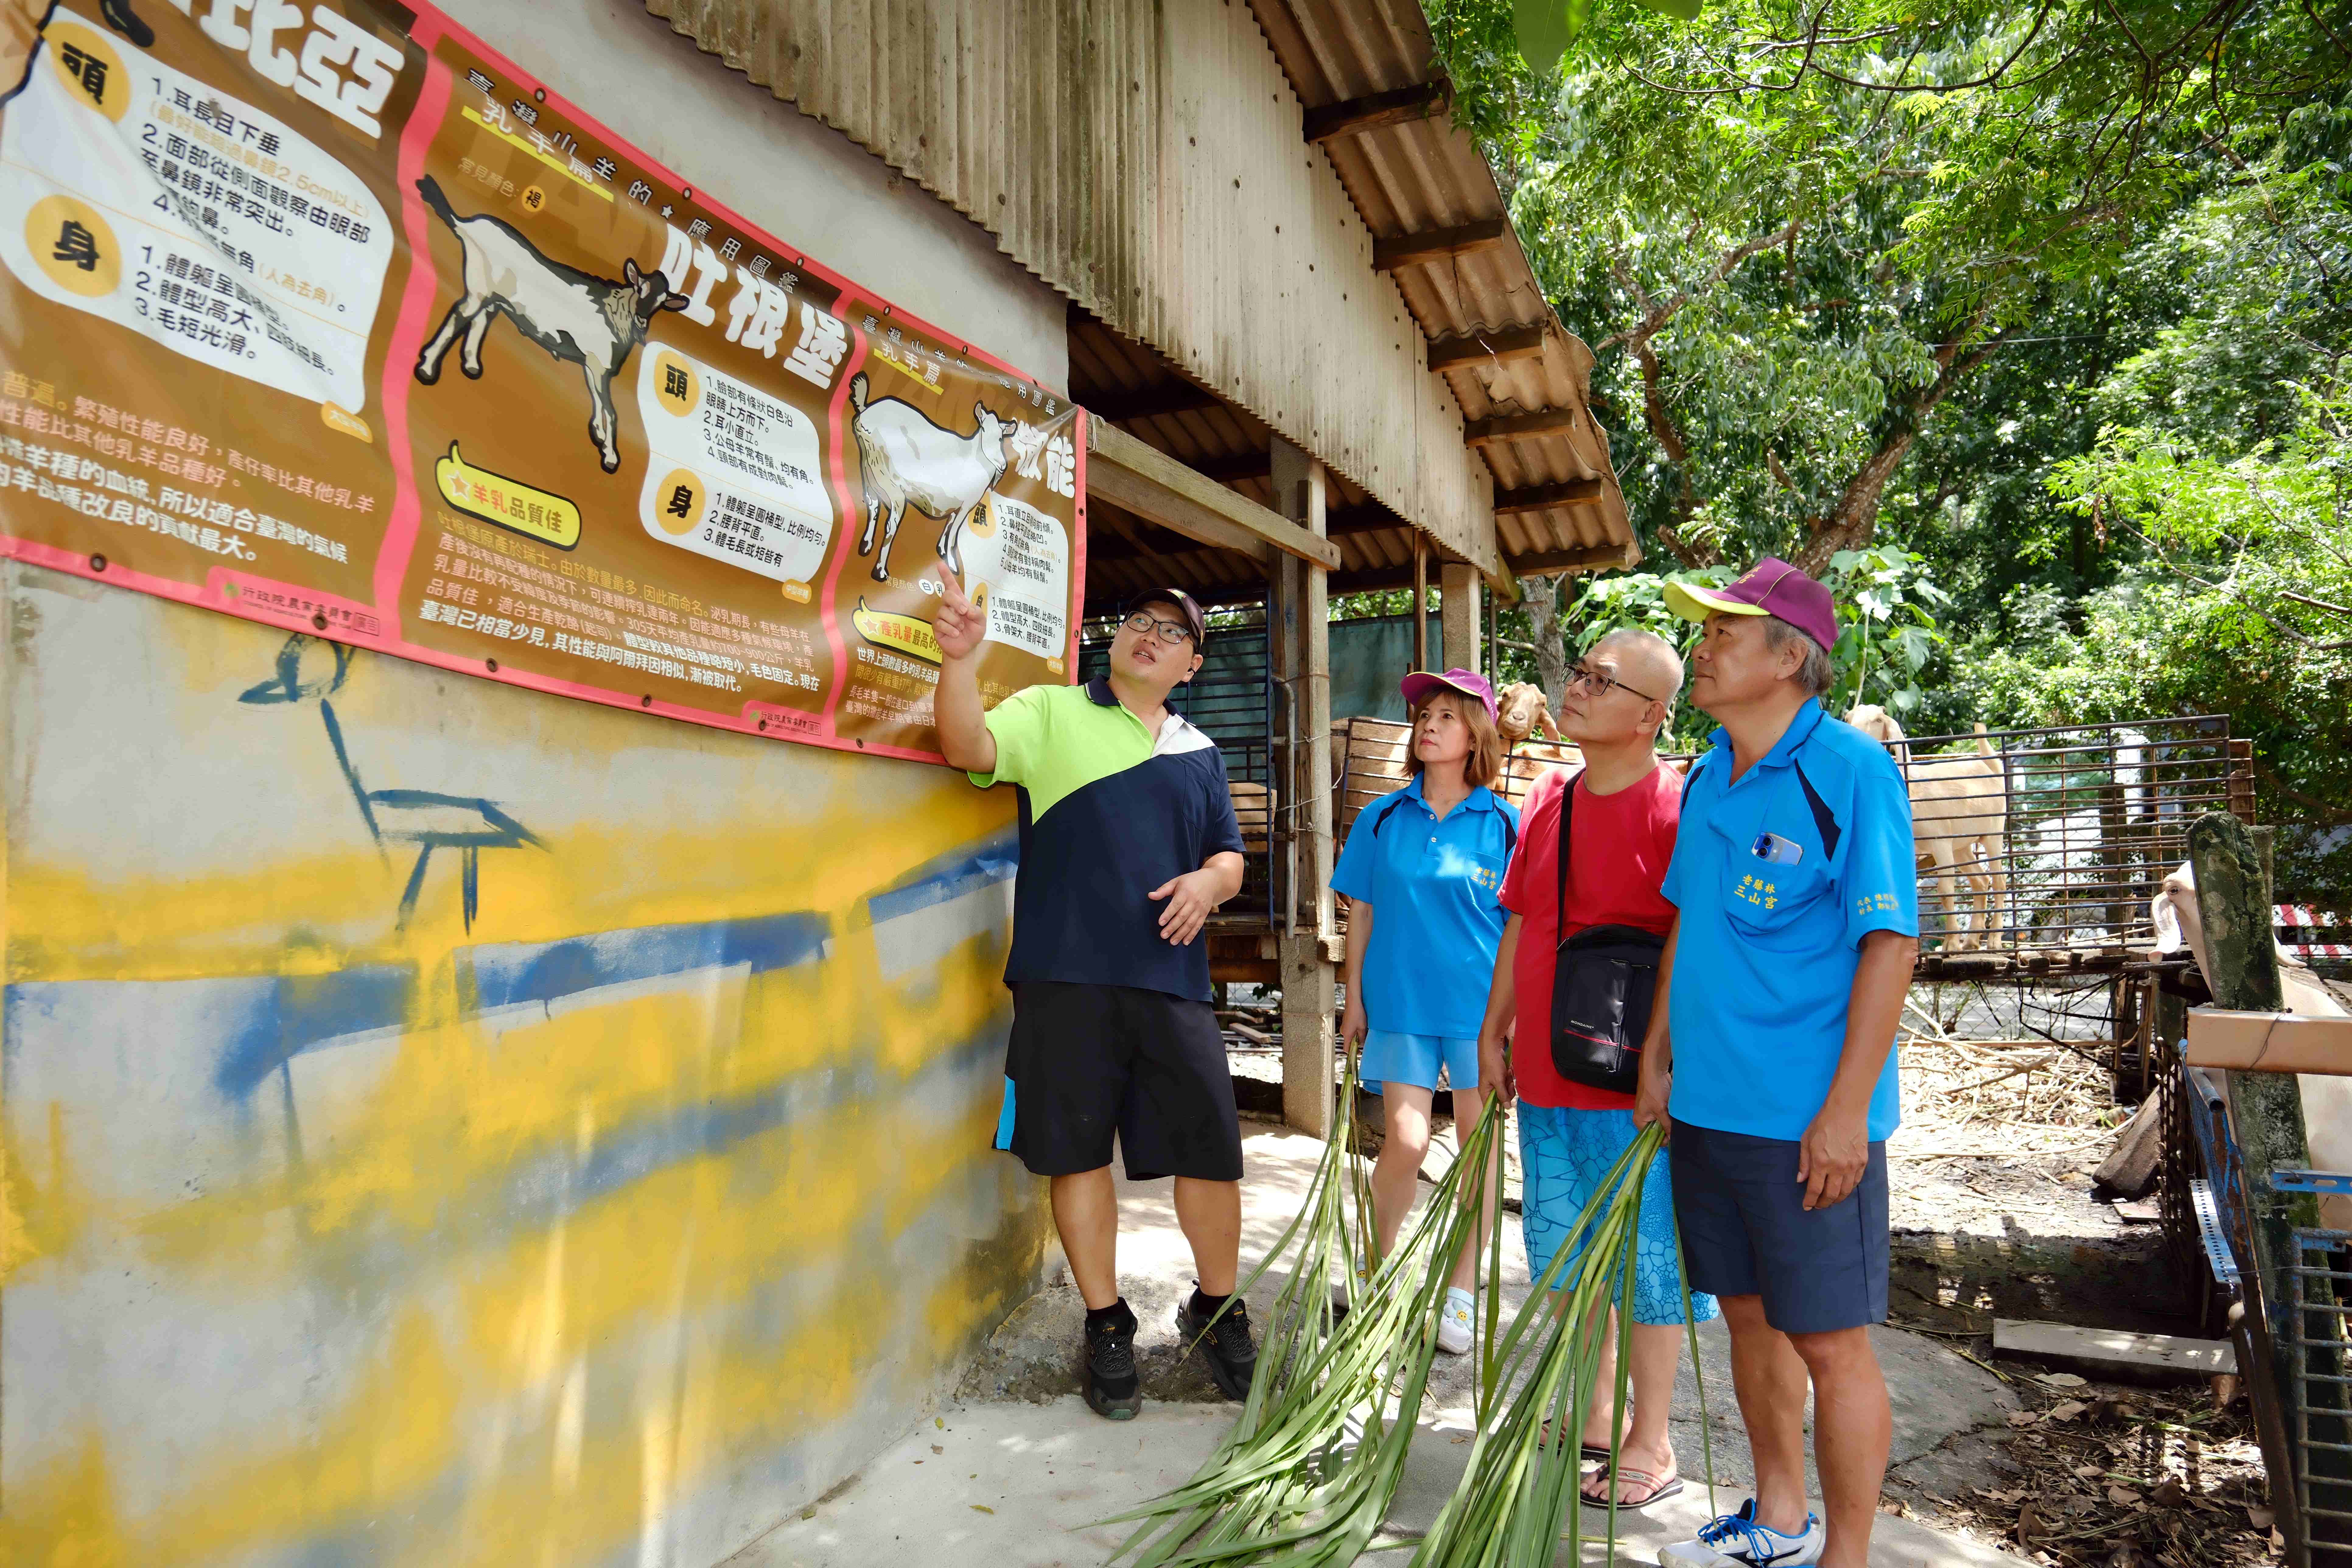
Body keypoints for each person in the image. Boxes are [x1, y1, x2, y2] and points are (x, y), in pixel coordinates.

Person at [1636, 559, 1919, 1568]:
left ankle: (1843, 1557)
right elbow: (1686, 923)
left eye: (1722, 634)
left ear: (1787, 658)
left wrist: (1845, 1113)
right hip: (1707, 1110)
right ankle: (1779, 1520)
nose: (1700, 651)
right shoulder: (1710, 769)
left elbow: (1888, 944)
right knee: (1748, 1321)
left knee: (1829, 1342)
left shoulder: (1847, 771)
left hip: (1803, 1120)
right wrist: (1656, 1053)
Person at [933, 578, 1257, 1422]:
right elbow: (968, 745)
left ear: (1191, 666)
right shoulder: (1050, 711)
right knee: (1077, 1155)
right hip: (1064, 975)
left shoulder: (1201, 752)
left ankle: (1217, 1307)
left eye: (1172, 631)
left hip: (1174, 983)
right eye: (1138, 621)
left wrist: (1210, 884)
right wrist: (958, 661)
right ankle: (1106, 1319)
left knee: (1211, 1153)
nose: (1149, 635)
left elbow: (1231, 857)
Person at [1474, 628, 1716, 1513]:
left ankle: (1653, 1444)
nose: (1576, 688)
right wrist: (1493, 1028)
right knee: (1569, 1255)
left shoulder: (1681, 806)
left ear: (1653, 716)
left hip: (1633, 1085)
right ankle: (1597, 1416)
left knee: (1652, 1266)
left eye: (1601, 681)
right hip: (1546, 1070)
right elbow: (1520, 920)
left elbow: (1694, 945)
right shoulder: (1547, 796)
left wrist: (1663, 1061)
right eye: (1580, 672)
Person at [1332, 669, 1519, 1354]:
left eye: (1447, 715)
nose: (1429, 725)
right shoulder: (1382, 816)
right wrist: (1353, 998)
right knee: (1405, 1141)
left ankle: (1463, 1291)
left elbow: (1521, 928)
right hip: (1400, 1007)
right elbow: (1364, 912)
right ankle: (1379, 1270)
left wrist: (1512, 1021)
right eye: (1424, 715)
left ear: (1477, 733)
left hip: (1480, 1016)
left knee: (1479, 1152)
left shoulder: (1504, 822)